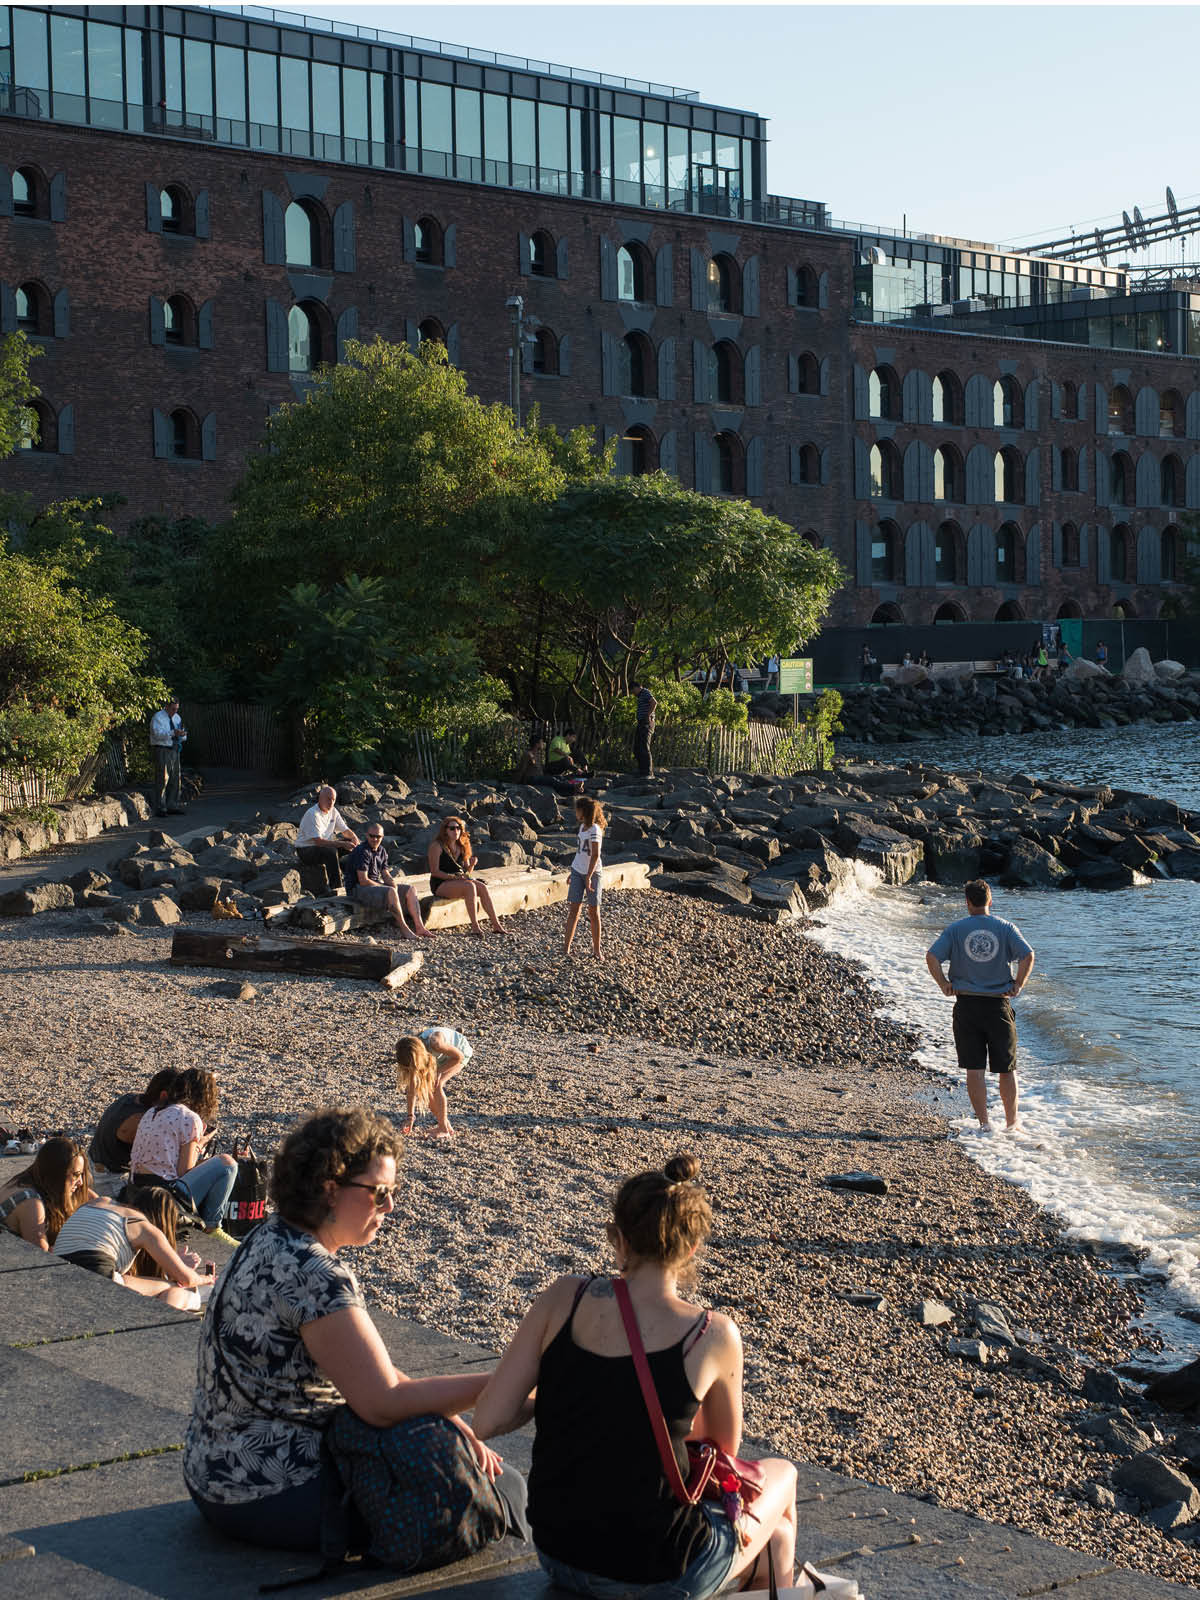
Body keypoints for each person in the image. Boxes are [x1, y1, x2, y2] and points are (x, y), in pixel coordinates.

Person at [184, 1107, 528, 1554]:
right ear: (330, 1189)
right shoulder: (316, 1275)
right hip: (269, 1490)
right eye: (379, 1193)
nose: (390, 1206)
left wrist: (450, 1416)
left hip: (212, 1469)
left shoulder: (269, 1237)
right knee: (498, 1494)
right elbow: (382, 1402)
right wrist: (508, 1385)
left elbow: (368, 1373)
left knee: (486, 1472)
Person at [471, 1153, 800, 1598]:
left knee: (775, 1539)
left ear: (618, 1240)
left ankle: (771, 1567)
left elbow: (488, 1420)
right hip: (663, 1571)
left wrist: (572, 1402)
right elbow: (721, 1453)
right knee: (784, 1475)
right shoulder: (712, 1333)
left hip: (560, 1555)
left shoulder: (563, 1297)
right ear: (691, 1248)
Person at [925, 880, 1035, 1131]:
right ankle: (1011, 1124)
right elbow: (1028, 955)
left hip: (967, 1006)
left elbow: (932, 956)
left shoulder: (955, 930)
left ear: (967, 902)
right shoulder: (1006, 928)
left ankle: (985, 1124)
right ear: (990, 900)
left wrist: (943, 984)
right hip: (998, 1006)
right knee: (1007, 1069)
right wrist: (1018, 984)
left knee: (974, 1069)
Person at [53, 1186, 214, 1309]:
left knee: (130, 1280)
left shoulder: (100, 1202)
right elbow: (187, 1279)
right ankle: (162, 1320)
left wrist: (174, 1263)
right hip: (98, 1277)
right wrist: (205, 1279)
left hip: (57, 1273)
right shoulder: (144, 1227)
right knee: (177, 1288)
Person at [128, 1068, 238, 1236]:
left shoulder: (153, 1111)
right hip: (165, 1197)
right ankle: (213, 1226)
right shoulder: (190, 1118)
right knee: (227, 1163)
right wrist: (200, 1145)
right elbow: (183, 1172)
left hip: (136, 1189)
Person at [0, 1137, 90, 1249]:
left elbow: (96, 1201)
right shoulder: (31, 1203)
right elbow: (42, 1257)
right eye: (76, 1174)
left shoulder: (31, 1177)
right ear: (56, 1173)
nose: (80, 1182)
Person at [344, 824, 432, 938]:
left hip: (372, 885)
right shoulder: (362, 851)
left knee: (410, 889)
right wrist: (387, 888)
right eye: (372, 836)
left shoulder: (382, 851)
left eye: (378, 836)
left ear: (382, 837)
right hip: (357, 889)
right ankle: (404, 929)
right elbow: (363, 880)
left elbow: (385, 874)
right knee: (390, 891)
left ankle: (420, 927)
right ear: (366, 835)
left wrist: (392, 884)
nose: (375, 839)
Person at [89, 1068, 178, 1179]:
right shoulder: (142, 1120)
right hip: (111, 1179)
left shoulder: (130, 1098)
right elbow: (160, 1162)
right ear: (164, 1096)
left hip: (94, 1165)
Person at [427, 817, 504, 937]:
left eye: (458, 828)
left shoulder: (462, 845)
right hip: (441, 883)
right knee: (470, 887)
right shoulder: (437, 846)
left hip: (459, 881)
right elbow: (434, 872)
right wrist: (454, 878)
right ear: (445, 830)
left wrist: (472, 865)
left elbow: (467, 873)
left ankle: (496, 925)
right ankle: (475, 926)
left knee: (482, 887)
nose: (456, 831)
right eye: (452, 828)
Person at [395, 1027, 474, 1140]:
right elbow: (412, 1088)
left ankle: (443, 1130)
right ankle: (445, 1125)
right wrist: (410, 1117)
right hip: (440, 1057)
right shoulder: (412, 1052)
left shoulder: (435, 1043)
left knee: (437, 1085)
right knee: (425, 1088)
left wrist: (438, 1072)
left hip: (459, 1052)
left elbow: (459, 1057)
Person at [295, 785, 360, 895]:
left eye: (333, 799)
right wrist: (342, 844)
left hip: (323, 847)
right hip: (306, 851)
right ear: (320, 798)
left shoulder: (333, 811)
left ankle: (358, 879)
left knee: (353, 846)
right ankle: (337, 887)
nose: (331, 802)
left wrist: (354, 839)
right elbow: (318, 841)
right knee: (331, 851)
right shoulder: (313, 814)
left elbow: (345, 830)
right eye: (328, 799)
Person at [564, 796, 604, 960]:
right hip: (577, 871)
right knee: (574, 909)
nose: (575, 812)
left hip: (593, 873)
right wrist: (572, 871)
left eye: (577, 809)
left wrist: (588, 876)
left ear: (583, 811)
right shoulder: (582, 827)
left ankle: (597, 950)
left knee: (593, 911)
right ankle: (565, 949)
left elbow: (595, 855)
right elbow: (580, 852)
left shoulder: (595, 830)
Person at [149, 696, 186, 817]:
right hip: (162, 749)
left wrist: (182, 734)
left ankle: (172, 805)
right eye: (173, 709)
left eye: (177, 709)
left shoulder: (177, 717)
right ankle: (160, 807)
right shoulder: (158, 717)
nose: (175, 711)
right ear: (166, 707)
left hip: (174, 748)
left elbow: (181, 733)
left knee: (175, 778)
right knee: (162, 778)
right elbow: (157, 734)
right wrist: (172, 733)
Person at [632, 681, 657, 778]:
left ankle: (648, 772)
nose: (633, 693)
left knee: (644, 747)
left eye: (633, 690)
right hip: (641, 722)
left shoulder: (645, 692)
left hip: (647, 722)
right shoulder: (641, 696)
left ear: (637, 687)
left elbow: (654, 703)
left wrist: (648, 715)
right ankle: (641, 770)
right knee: (637, 748)